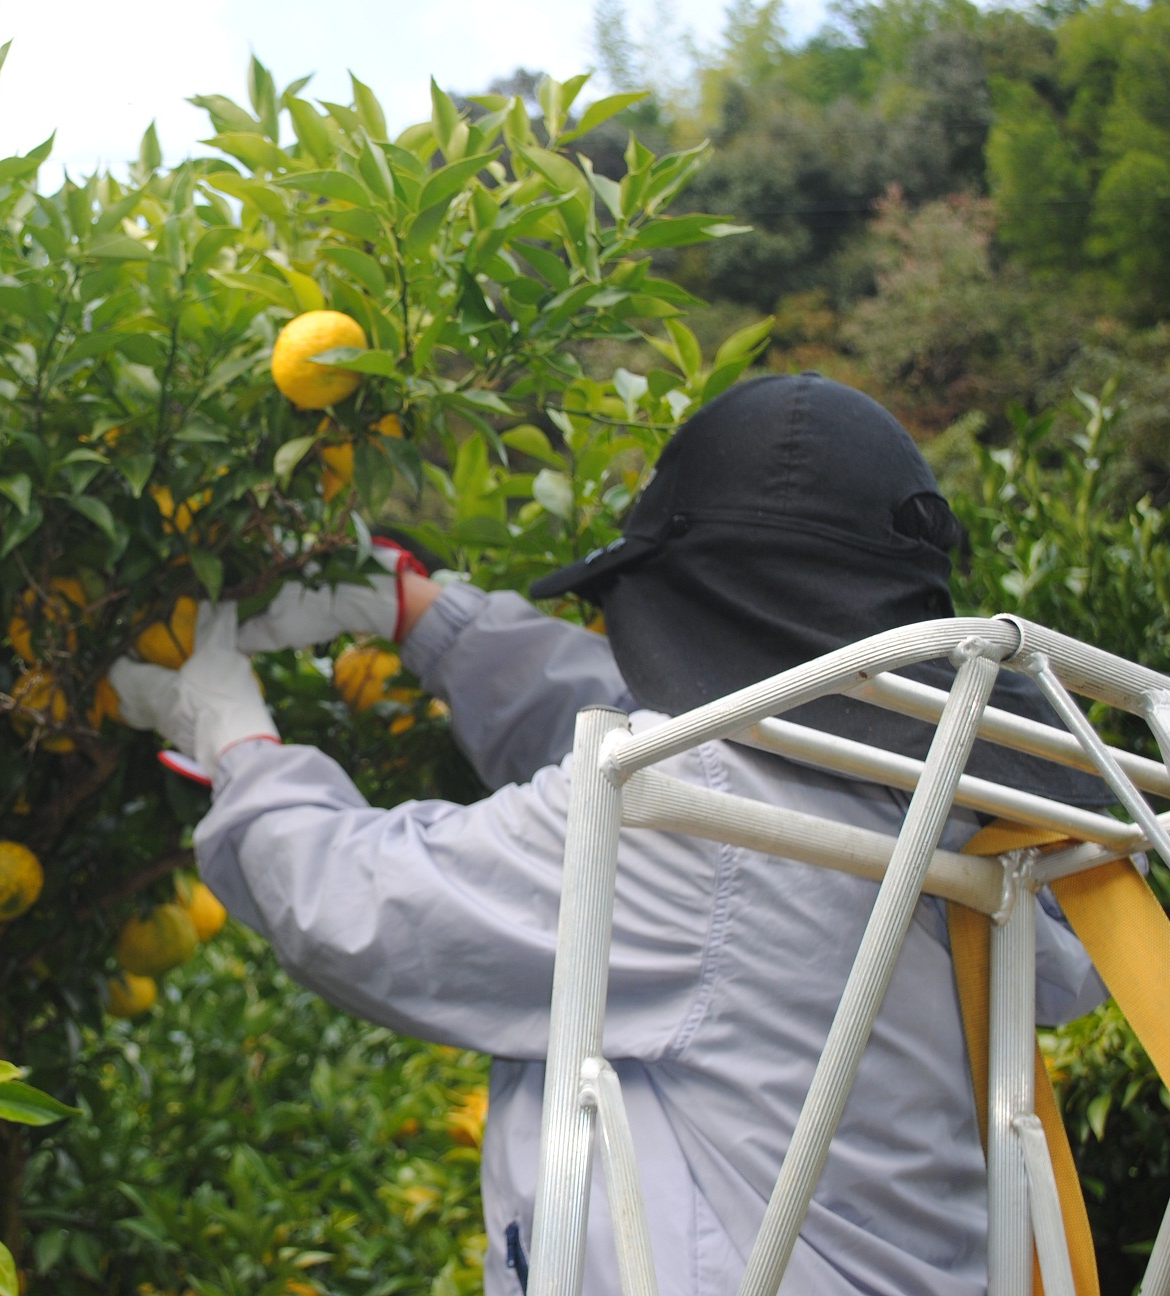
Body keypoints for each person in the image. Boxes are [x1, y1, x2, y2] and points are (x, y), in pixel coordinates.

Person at [107, 373, 1109, 1296]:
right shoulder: (940, 797)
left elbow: (363, 904)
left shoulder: (694, 826)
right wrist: (420, 615)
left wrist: (232, 739)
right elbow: (645, 728)